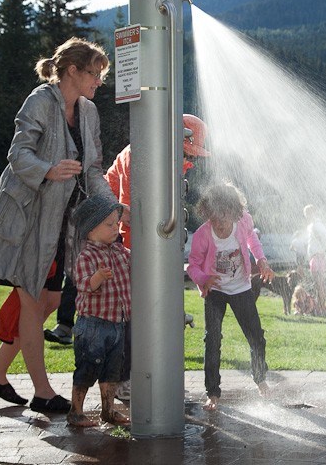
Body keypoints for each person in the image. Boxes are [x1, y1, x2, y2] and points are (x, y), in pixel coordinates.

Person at [0, 37, 114, 412]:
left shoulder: (88, 112)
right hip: (25, 221)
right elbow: (18, 153)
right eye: (95, 73)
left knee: (51, 299)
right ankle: (42, 392)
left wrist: (111, 207)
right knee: (35, 302)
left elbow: (94, 168)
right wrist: (49, 171)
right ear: (72, 70)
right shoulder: (40, 100)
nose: (99, 82)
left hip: (59, 226)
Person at [44, 114, 210, 399]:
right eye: (186, 150)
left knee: (136, 314)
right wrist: (144, 267)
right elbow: (135, 218)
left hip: (126, 236)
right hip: (116, 235)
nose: (188, 158)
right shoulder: (142, 156)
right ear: (177, 138)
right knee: (128, 316)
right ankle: (121, 381)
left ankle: (136, 376)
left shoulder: (163, 157)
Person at [186, 183, 274, 411]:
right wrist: (203, 279)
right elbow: (192, 265)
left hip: (241, 288)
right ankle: (212, 393)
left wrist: (261, 260)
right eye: (213, 218)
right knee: (212, 341)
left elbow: (252, 240)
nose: (219, 224)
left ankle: (260, 378)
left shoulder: (243, 221)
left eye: (223, 218)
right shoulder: (203, 234)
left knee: (256, 336)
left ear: (234, 212)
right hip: (215, 291)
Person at [66, 194, 131, 427]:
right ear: (91, 229)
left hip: (116, 322)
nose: (116, 228)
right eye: (109, 224)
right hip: (93, 324)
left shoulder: (119, 252)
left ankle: (108, 410)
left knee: (113, 369)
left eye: (117, 223)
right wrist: (98, 277)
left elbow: (135, 265)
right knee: (87, 366)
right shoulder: (87, 255)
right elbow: (83, 285)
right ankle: (76, 410)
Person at [304, 204, 326, 313]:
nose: (306, 216)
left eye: (307, 213)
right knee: (318, 284)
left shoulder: (316, 225)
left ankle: (320, 308)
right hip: (316, 256)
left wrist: (321, 248)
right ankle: (319, 307)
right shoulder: (314, 224)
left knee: (319, 284)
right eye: (305, 214)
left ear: (312, 213)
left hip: (317, 257)